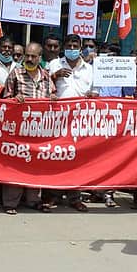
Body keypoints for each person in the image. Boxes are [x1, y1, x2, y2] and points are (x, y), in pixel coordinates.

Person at [1, 42, 56, 214]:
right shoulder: (15, 74)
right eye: (27, 55)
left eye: (34, 56)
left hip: (39, 130)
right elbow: (5, 99)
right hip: (19, 130)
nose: (30, 59)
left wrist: (53, 97)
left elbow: (52, 94)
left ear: (40, 58)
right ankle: (10, 202)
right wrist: (14, 98)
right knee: (16, 165)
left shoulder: (46, 76)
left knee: (36, 165)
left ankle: (33, 200)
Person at [46, 33, 95, 211]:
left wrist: (92, 95)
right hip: (58, 120)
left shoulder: (90, 69)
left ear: (80, 47)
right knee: (57, 157)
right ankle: (54, 195)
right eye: (69, 45)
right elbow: (44, 88)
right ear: (64, 46)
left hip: (81, 121)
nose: (72, 49)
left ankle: (75, 197)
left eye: (75, 46)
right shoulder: (54, 65)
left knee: (78, 159)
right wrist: (54, 76)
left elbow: (96, 92)